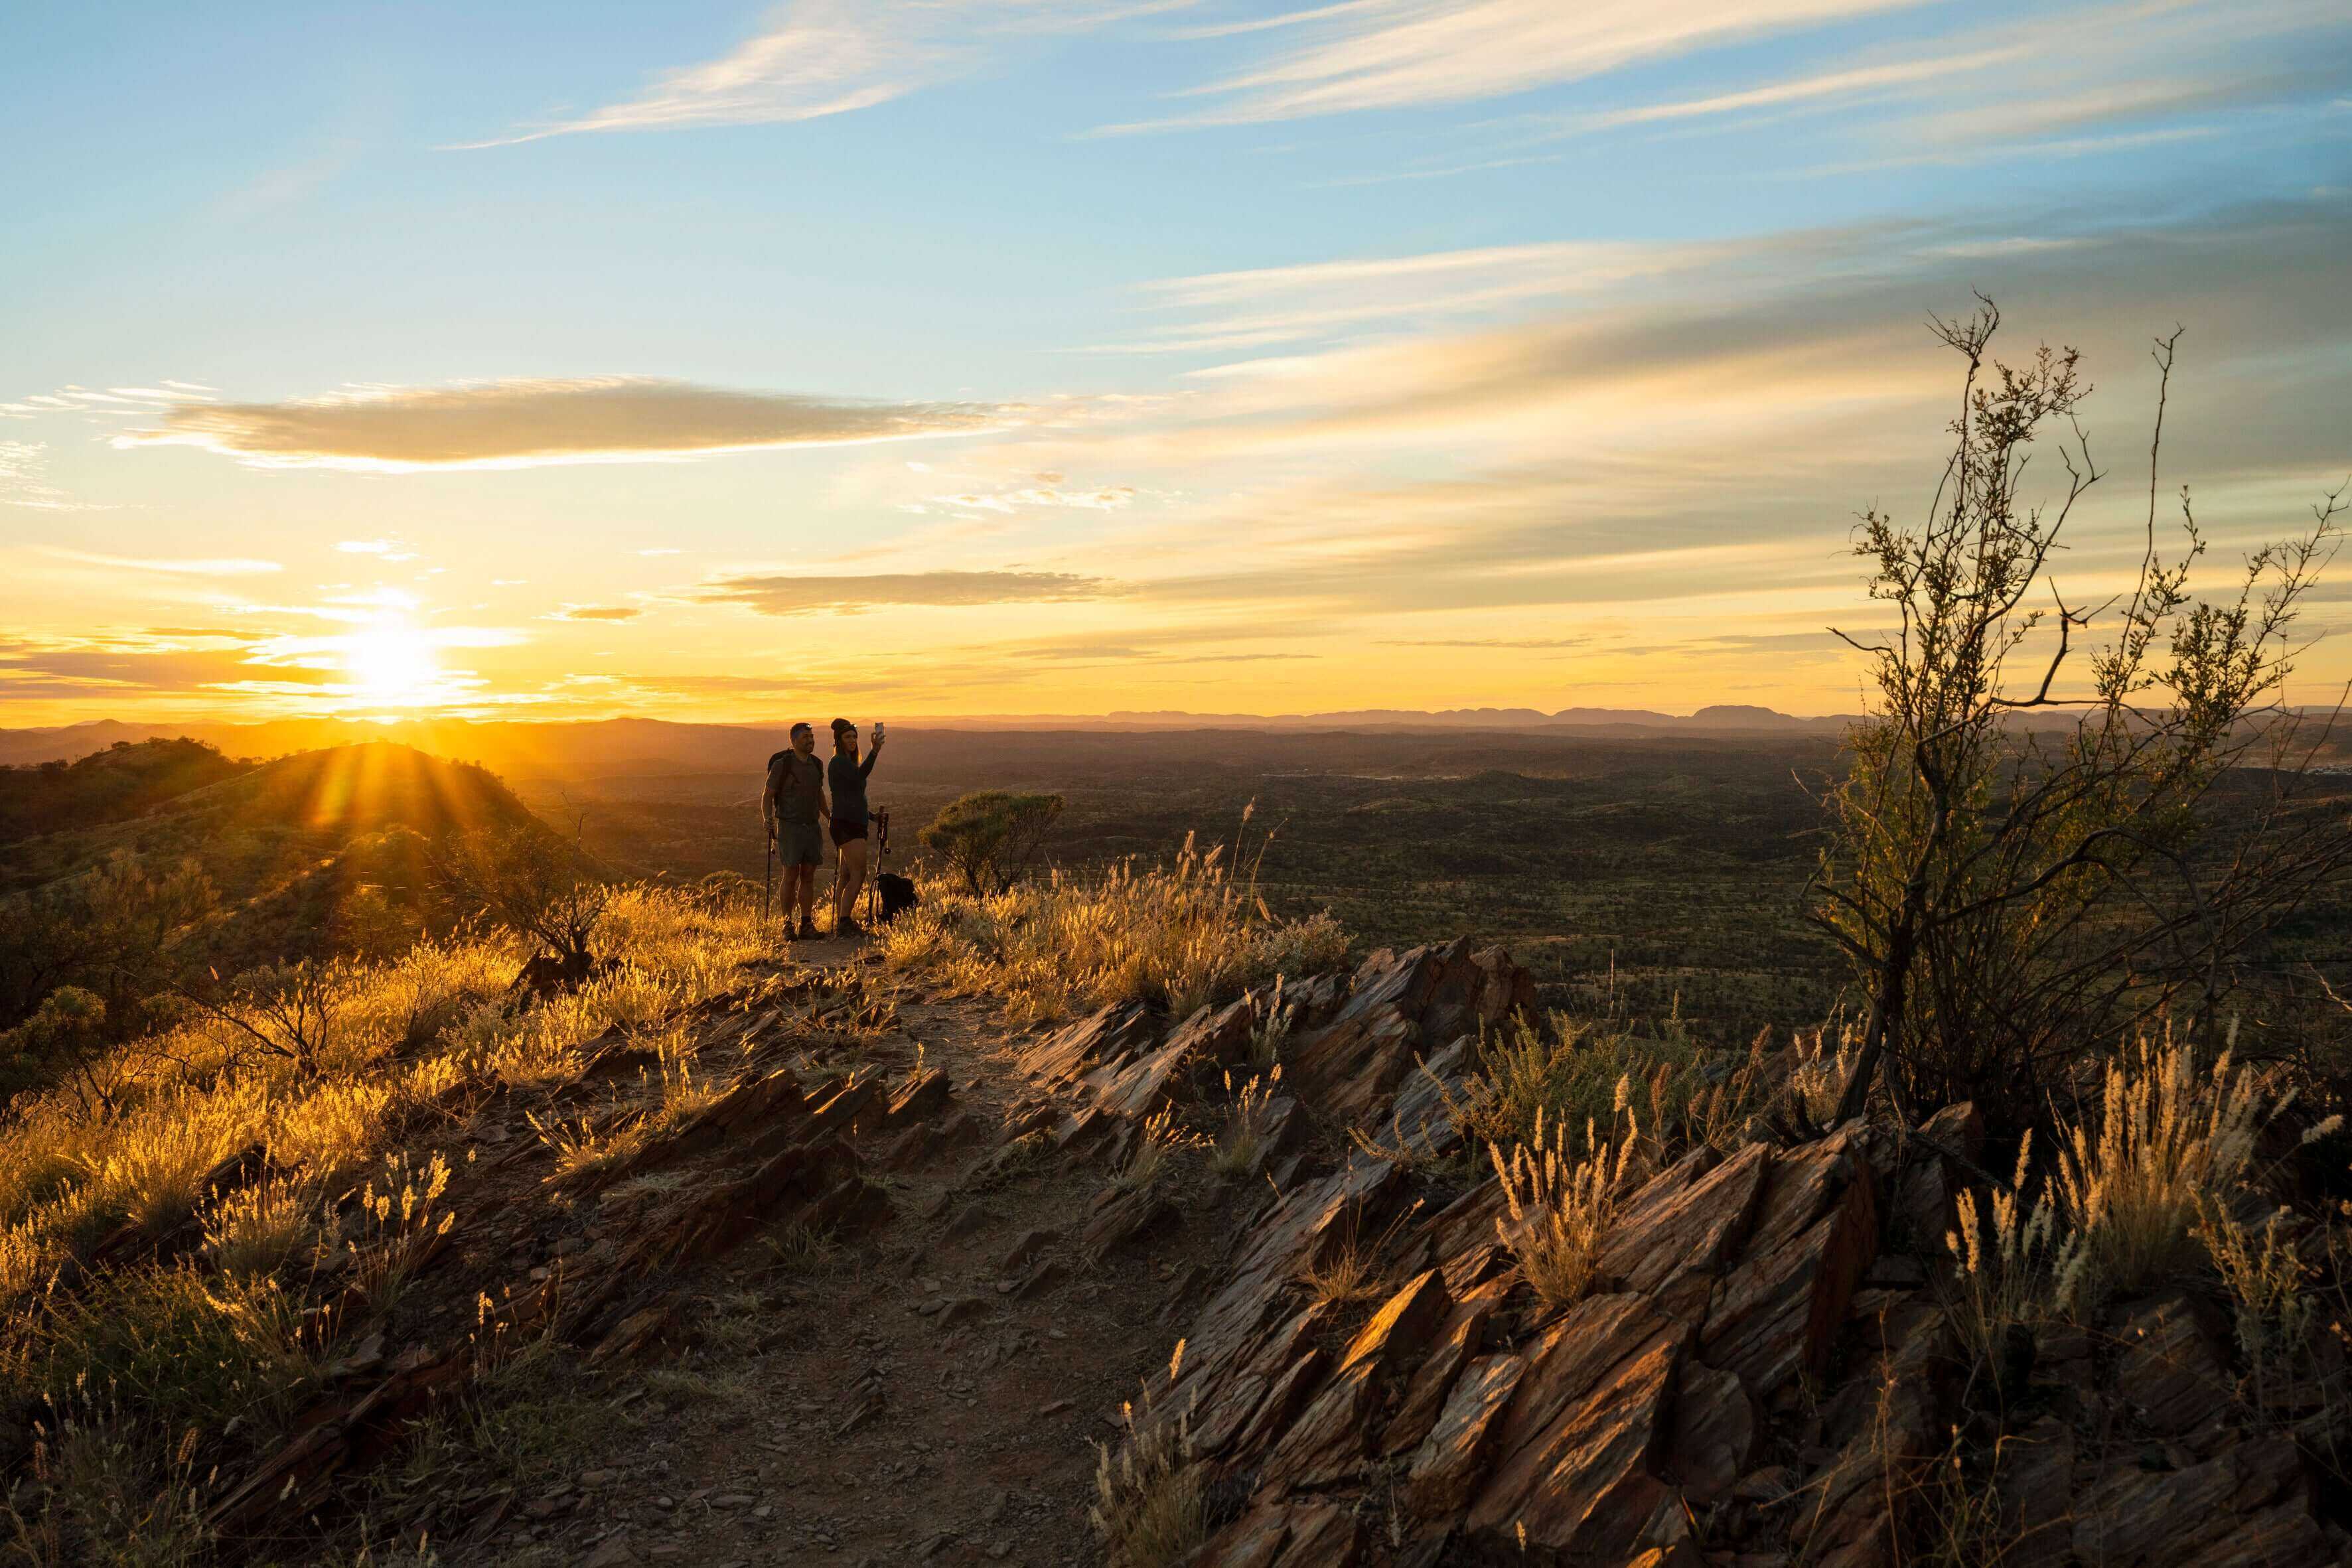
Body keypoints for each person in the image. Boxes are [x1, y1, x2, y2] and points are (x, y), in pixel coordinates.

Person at [762, 722, 828, 940]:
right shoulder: (783, 765)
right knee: (790, 875)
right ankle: (787, 924)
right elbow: (768, 795)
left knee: (808, 875)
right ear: (793, 740)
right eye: (805, 737)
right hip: (790, 827)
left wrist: (829, 817)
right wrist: (768, 819)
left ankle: (806, 924)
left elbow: (819, 794)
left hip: (811, 827)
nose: (810, 740)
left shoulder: (817, 764)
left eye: (812, 736)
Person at [826, 717, 884, 936]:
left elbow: (851, 796)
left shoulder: (847, 763)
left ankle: (841, 920)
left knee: (847, 875)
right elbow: (860, 776)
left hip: (848, 822)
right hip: (848, 825)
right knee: (859, 873)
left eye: (854, 737)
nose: (852, 740)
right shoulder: (839, 762)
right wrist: (875, 750)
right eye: (848, 737)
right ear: (839, 741)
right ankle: (844, 922)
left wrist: (871, 817)